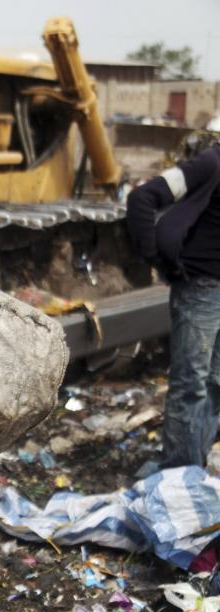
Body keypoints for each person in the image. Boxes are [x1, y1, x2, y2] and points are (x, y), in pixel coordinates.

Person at [126, 143, 220, 472]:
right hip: (200, 290)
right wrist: (154, 256)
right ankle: (178, 474)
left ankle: (195, 465)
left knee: (216, 384)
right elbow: (141, 198)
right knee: (191, 384)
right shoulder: (210, 164)